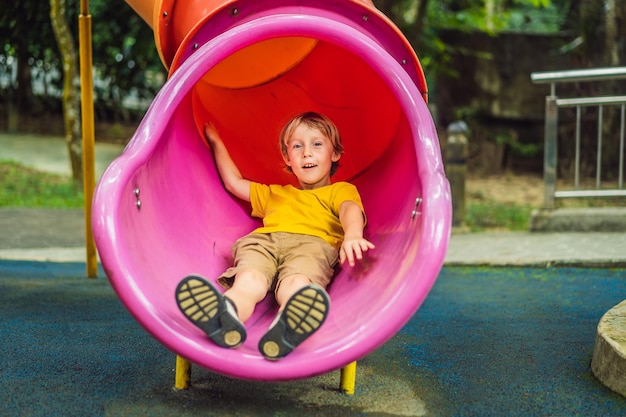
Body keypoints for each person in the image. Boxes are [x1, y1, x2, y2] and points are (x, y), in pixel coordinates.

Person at [175, 111, 375, 360]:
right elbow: (234, 183)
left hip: (312, 245)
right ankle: (225, 315)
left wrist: (353, 235)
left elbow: (349, 209)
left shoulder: (340, 190)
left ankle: (286, 327)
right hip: (264, 242)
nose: (307, 153)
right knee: (248, 280)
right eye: (297, 146)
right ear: (287, 157)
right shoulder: (275, 193)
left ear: (334, 154)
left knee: (296, 284)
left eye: (317, 144)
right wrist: (216, 141)